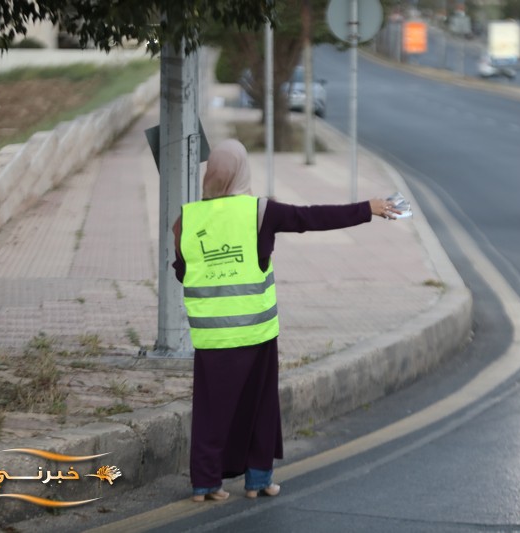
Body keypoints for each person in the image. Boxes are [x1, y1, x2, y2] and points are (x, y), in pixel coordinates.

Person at [172, 139, 401, 502]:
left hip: (212, 338)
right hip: (257, 334)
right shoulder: (260, 212)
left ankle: (205, 485)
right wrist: (366, 209)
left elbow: (183, 273)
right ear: (242, 172)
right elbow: (311, 217)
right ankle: (258, 480)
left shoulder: (187, 220)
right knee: (260, 406)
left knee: (211, 411)